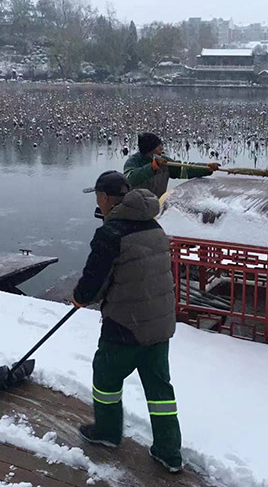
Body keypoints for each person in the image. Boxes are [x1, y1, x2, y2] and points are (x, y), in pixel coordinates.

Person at [71, 170, 183, 473]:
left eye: (97, 196)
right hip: (159, 325)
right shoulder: (154, 226)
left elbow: (94, 283)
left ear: (106, 198)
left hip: (125, 325)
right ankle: (169, 450)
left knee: (106, 377)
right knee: (160, 389)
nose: (98, 202)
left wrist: (80, 297)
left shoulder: (111, 234)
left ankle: (107, 433)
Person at [124, 132, 220, 198]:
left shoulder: (164, 161)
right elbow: (130, 179)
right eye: (158, 147)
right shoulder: (133, 162)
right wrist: (152, 167)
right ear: (149, 149)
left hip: (156, 205)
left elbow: (183, 169)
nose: (162, 149)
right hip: (136, 208)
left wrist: (206, 168)